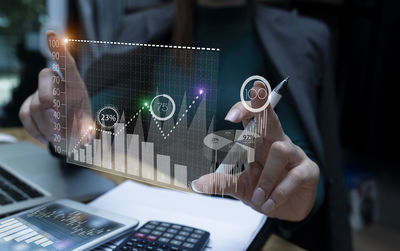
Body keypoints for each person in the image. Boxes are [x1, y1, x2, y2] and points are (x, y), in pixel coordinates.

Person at [18, 0, 351, 250]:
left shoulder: (302, 39)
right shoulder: (142, 32)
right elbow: (92, 127)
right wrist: (65, 128)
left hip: (249, 231)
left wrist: (295, 195)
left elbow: (308, 167)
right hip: (149, 225)